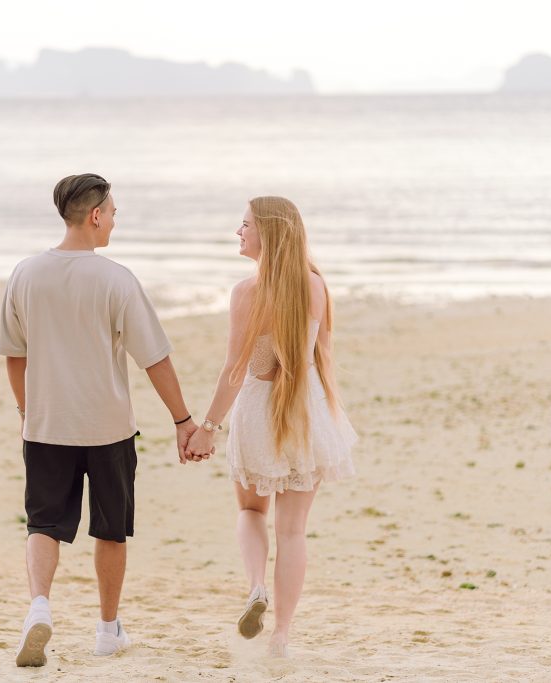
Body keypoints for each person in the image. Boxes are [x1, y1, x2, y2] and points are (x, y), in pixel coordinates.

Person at [0, 173, 202, 667]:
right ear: (94, 216)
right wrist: (183, 420)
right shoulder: (115, 278)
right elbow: (154, 358)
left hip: (46, 426)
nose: (113, 221)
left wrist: (28, 412)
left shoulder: (25, 274)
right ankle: (108, 631)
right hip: (108, 428)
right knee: (111, 529)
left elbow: (13, 356)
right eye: (111, 213)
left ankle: (39, 606)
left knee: (43, 524)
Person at [186, 196, 357, 656]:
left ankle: (256, 587)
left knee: (250, 513)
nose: (237, 233)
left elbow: (236, 370)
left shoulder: (246, 292)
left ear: (269, 233)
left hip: (258, 412)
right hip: (305, 411)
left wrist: (207, 427)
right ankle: (281, 636)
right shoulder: (316, 287)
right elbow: (320, 357)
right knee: (294, 530)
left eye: (244, 226)